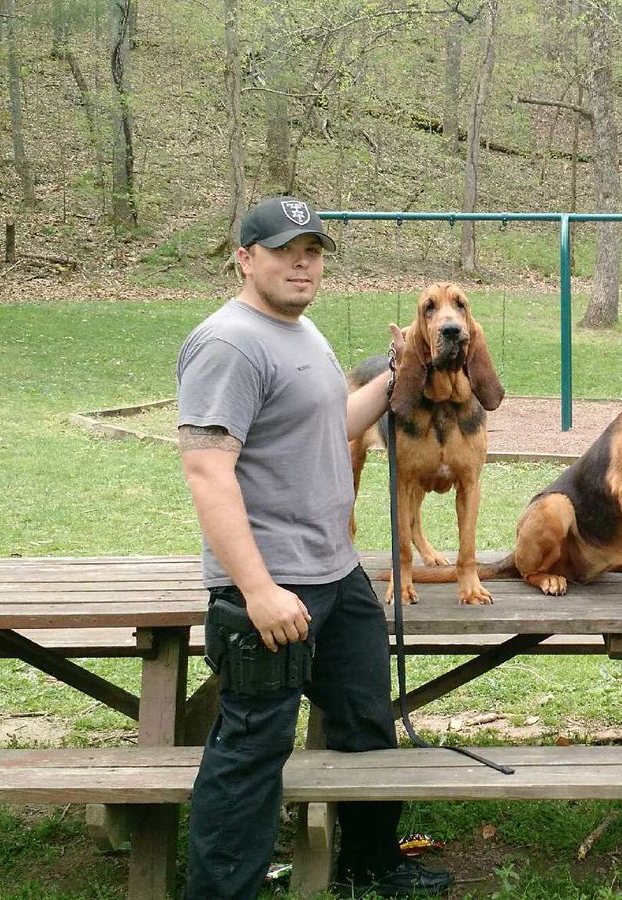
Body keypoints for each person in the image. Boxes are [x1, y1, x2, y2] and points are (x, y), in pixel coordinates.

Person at [176, 195, 450, 899]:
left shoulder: (300, 331)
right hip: (272, 583)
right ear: (245, 259)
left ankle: (370, 863)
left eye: (313, 252)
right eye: (284, 251)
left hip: (336, 573)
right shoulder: (229, 343)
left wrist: (400, 372)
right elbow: (207, 473)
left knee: (366, 723)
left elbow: (335, 423)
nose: (302, 264)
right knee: (252, 747)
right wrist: (258, 590)